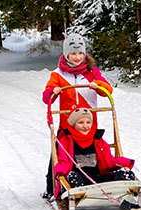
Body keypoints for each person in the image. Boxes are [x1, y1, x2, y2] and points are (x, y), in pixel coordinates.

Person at [42, 33, 113, 199]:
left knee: (95, 152)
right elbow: (46, 98)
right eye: (73, 53)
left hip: (89, 124)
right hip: (67, 125)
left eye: (80, 53)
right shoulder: (58, 75)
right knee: (60, 153)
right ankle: (52, 188)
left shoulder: (92, 72)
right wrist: (53, 92)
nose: (77, 57)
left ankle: (99, 180)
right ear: (66, 54)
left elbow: (107, 90)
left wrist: (98, 85)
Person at [52, 107, 135, 210]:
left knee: (117, 176)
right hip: (81, 178)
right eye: (81, 122)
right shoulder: (66, 141)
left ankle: (124, 181)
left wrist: (124, 162)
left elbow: (108, 160)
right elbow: (64, 161)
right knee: (73, 178)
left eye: (88, 122)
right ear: (73, 124)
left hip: (98, 177)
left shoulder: (98, 139)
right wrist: (60, 172)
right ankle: (76, 191)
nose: (85, 126)